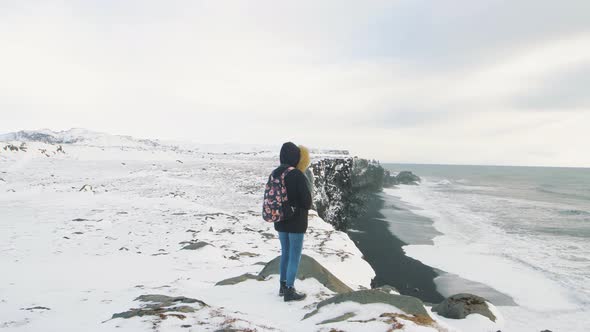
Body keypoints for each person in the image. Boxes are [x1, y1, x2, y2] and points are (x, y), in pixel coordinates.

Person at [272, 142, 312, 302]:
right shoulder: (297, 175)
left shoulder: (275, 173)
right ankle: (290, 289)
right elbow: (307, 203)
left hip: (280, 220)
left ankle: (282, 286)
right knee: (294, 255)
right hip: (296, 223)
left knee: (285, 253)